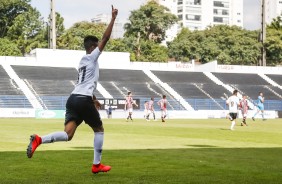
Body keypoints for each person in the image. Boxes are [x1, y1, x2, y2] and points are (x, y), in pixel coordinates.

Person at [26, 5, 118, 174]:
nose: (100, 49)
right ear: (92, 47)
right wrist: (113, 19)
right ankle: (96, 165)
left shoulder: (83, 62)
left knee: (68, 134)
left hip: (74, 99)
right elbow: (105, 39)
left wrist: (94, 98)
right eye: (97, 46)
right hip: (82, 100)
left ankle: (39, 139)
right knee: (99, 130)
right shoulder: (91, 57)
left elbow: (85, 85)